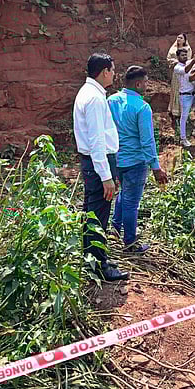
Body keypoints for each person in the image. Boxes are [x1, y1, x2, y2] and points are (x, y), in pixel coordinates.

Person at [74, 53, 128, 281]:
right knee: (98, 216)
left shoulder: (89, 93)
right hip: (99, 163)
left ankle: (93, 259)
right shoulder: (94, 99)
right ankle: (98, 266)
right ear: (104, 71)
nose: (114, 74)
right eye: (112, 70)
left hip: (95, 162)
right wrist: (106, 176)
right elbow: (96, 141)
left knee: (92, 212)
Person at [108, 66, 170, 254]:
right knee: (132, 203)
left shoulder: (111, 101)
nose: (147, 85)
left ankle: (115, 229)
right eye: (145, 82)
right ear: (137, 83)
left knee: (123, 194)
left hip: (116, 159)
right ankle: (130, 242)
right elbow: (147, 141)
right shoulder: (142, 107)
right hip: (135, 161)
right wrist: (156, 167)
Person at [174, 48, 195, 147]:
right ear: (178, 57)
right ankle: (183, 138)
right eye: (182, 55)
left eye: (186, 55)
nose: (184, 57)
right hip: (185, 95)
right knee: (184, 117)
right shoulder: (177, 67)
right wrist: (194, 59)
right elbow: (186, 70)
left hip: (194, 93)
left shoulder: (189, 62)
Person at [166, 33, 192, 134]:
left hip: (184, 73)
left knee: (182, 90)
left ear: (185, 40)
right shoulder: (173, 48)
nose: (178, 39)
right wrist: (173, 62)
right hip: (175, 73)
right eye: (178, 37)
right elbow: (168, 59)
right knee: (175, 90)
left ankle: (183, 113)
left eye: (181, 38)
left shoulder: (187, 49)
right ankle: (174, 111)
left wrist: (177, 62)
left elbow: (188, 61)